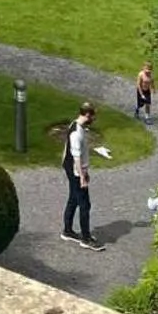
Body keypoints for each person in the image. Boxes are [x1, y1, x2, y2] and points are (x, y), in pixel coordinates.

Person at [63, 102, 104, 250]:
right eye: (93, 116)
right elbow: (76, 157)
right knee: (85, 205)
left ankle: (67, 231)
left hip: (74, 169)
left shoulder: (75, 126)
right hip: (75, 171)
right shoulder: (76, 133)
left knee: (73, 199)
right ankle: (86, 238)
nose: (94, 119)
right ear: (87, 115)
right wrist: (82, 177)